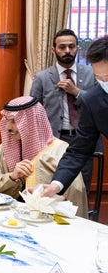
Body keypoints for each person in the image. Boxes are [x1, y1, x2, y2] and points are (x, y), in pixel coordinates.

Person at [0, 96, 88, 217]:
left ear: (30, 122)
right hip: (9, 217)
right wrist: (12, 177)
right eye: (7, 121)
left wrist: (42, 195)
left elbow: (75, 194)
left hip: (48, 221)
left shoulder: (59, 150)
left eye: (14, 121)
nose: (8, 127)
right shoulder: (5, 148)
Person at [30, 28, 100, 190]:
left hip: (84, 139)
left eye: (72, 46)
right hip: (53, 141)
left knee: (82, 188)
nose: (67, 50)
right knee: (54, 188)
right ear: (53, 49)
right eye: (62, 47)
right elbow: (34, 112)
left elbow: (99, 107)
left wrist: (76, 92)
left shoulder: (92, 73)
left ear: (77, 48)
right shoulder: (42, 77)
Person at [43, 35, 108, 198]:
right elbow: (79, 150)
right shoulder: (93, 99)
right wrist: (56, 185)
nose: (104, 83)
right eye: (100, 79)